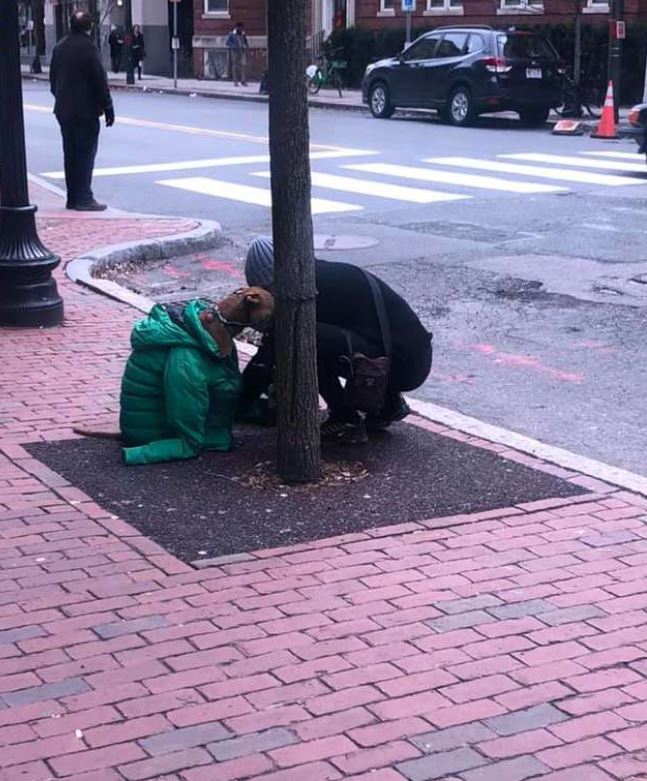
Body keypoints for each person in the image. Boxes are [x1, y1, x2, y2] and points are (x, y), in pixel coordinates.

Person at [240, 237, 433, 446]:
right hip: (413, 357)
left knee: (298, 339)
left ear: (274, 280)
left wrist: (237, 405)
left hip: (402, 367)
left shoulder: (304, 293)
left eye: (266, 290)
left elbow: (269, 354)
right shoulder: (321, 274)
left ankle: (345, 419)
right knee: (324, 337)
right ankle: (388, 404)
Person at [49, 11, 114, 212]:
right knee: (85, 154)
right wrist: (108, 107)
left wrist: (62, 99)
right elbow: (99, 81)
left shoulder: (59, 47)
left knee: (70, 154)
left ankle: (72, 197)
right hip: (85, 111)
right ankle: (84, 196)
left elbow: (53, 81)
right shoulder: (89, 49)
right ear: (90, 27)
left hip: (63, 110)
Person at [226, 22, 248, 86]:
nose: (241, 29)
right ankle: (235, 81)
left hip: (242, 51)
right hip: (235, 51)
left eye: (242, 28)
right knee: (235, 66)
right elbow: (227, 42)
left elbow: (245, 41)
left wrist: (246, 45)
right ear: (237, 27)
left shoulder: (243, 34)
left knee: (243, 65)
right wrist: (233, 46)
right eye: (240, 28)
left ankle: (243, 80)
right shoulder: (232, 34)